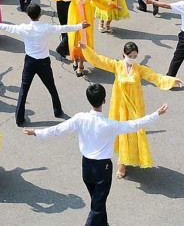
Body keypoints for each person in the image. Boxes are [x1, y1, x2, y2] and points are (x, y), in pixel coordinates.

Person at [23, 84, 168, 226]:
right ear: (104, 100)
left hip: (86, 167)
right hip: (102, 169)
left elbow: (58, 129)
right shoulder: (110, 125)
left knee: (98, 201)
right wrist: (156, 114)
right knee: (97, 207)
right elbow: (135, 124)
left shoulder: (80, 118)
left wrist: (37, 132)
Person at [82, 42, 180, 178]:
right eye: (130, 56)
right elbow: (99, 60)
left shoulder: (139, 69)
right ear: (124, 54)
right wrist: (85, 49)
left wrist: (172, 81)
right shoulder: (116, 66)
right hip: (120, 107)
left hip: (135, 106)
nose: (132, 58)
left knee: (133, 132)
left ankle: (127, 158)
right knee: (121, 133)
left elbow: (155, 77)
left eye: (135, 56)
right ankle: (122, 162)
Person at [0, 3, 84, 125]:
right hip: (44, 62)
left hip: (29, 61)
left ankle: (19, 118)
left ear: (29, 15)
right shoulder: (46, 28)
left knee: (24, 90)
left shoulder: (24, 28)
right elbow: (63, 28)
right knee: (51, 87)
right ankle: (57, 111)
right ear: (40, 14)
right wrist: (80, 25)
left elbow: (7, 27)